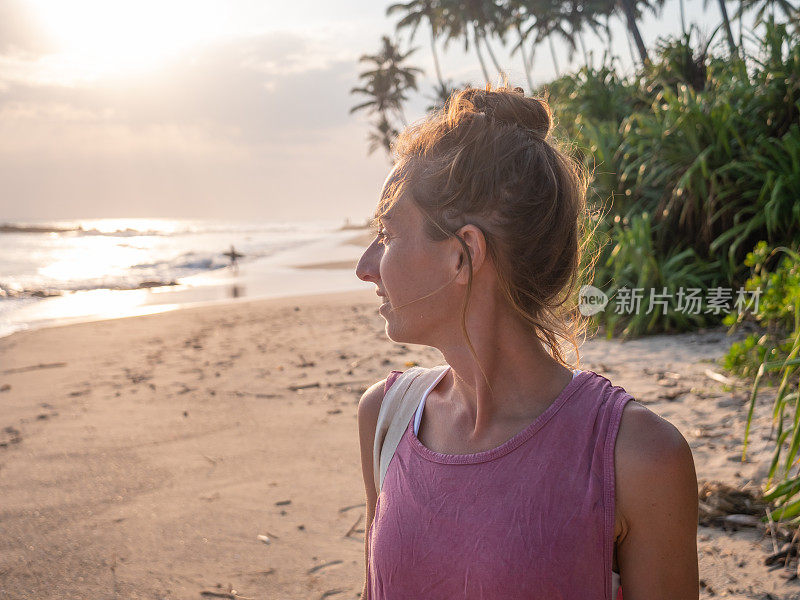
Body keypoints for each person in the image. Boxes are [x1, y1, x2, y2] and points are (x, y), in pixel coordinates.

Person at [355, 84, 699, 599]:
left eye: (387, 234)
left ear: (462, 255)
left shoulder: (637, 457)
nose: (364, 268)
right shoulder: (386, 416)